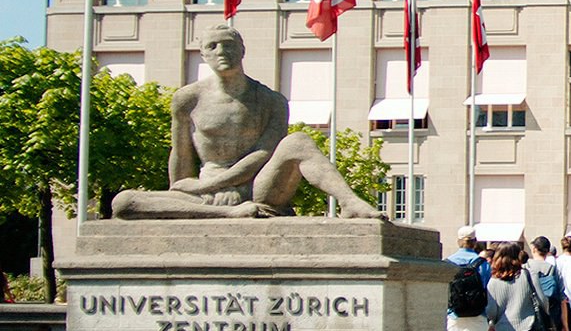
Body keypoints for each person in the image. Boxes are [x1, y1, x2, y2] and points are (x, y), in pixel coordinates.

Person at [111, 25, 381, 220]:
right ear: (203, 54)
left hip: (257, 186)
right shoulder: (187, 99)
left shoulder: (270, 100)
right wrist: (186, 188)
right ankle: (225, 214)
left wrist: (210, 186)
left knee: (298, 141)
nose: (221, 51)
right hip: (205, 193)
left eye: (229, 45)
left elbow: (263, 154)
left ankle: (350, 202)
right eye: (212, 46)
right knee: (124, 202)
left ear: (242, 50)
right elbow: (181, 157)